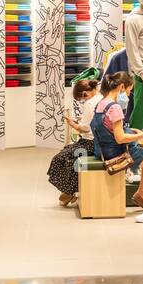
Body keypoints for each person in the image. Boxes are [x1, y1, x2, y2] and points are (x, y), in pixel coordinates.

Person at [91, 72, 143, 224]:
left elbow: (110, 129)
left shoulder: (101, 103)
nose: (129, 94)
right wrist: (142, 136)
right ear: (122, 87)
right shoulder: (114, 107)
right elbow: (120, 138)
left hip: (102, 151)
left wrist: (137, 132)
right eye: (129, 90)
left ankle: (142, 194)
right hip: (117, 154)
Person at [48, 78, 100, 206]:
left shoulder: (90, 103)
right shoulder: (101, 98)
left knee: (60, 158)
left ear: (84, 94)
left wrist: (72, 124)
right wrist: (80, 122)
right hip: (95, 142)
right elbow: (89, 123)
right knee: (68, 154)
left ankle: (69, 191)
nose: (83, 100)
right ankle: (70, 190)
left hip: (89, 144)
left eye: (82, 98)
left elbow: (85, 128)